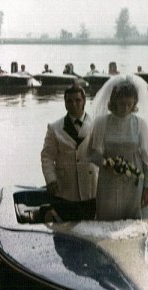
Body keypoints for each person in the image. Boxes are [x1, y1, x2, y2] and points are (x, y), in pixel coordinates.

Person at [87, 74, 148, 221]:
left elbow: (147, 160)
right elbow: (92, 153)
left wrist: (147, 188)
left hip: (134, 180)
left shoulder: (140, 125)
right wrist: (107, 163)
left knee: (132, 220)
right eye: (122, 103)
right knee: (108, 218)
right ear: (114, 101)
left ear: (134, 104)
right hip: (108, 179)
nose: (125, 108)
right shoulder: (102, 123)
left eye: (129, 104)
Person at [41, 84, 98, 221]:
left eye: (78, 100)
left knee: (89, 230)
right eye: (70, 101)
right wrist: (51, 180)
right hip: (65, 189)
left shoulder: (96, 125)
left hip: (91, 188)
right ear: (65, 104)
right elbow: (47, 157)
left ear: (84, 101)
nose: (74, 104)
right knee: (63, 233)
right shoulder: (54, 128)